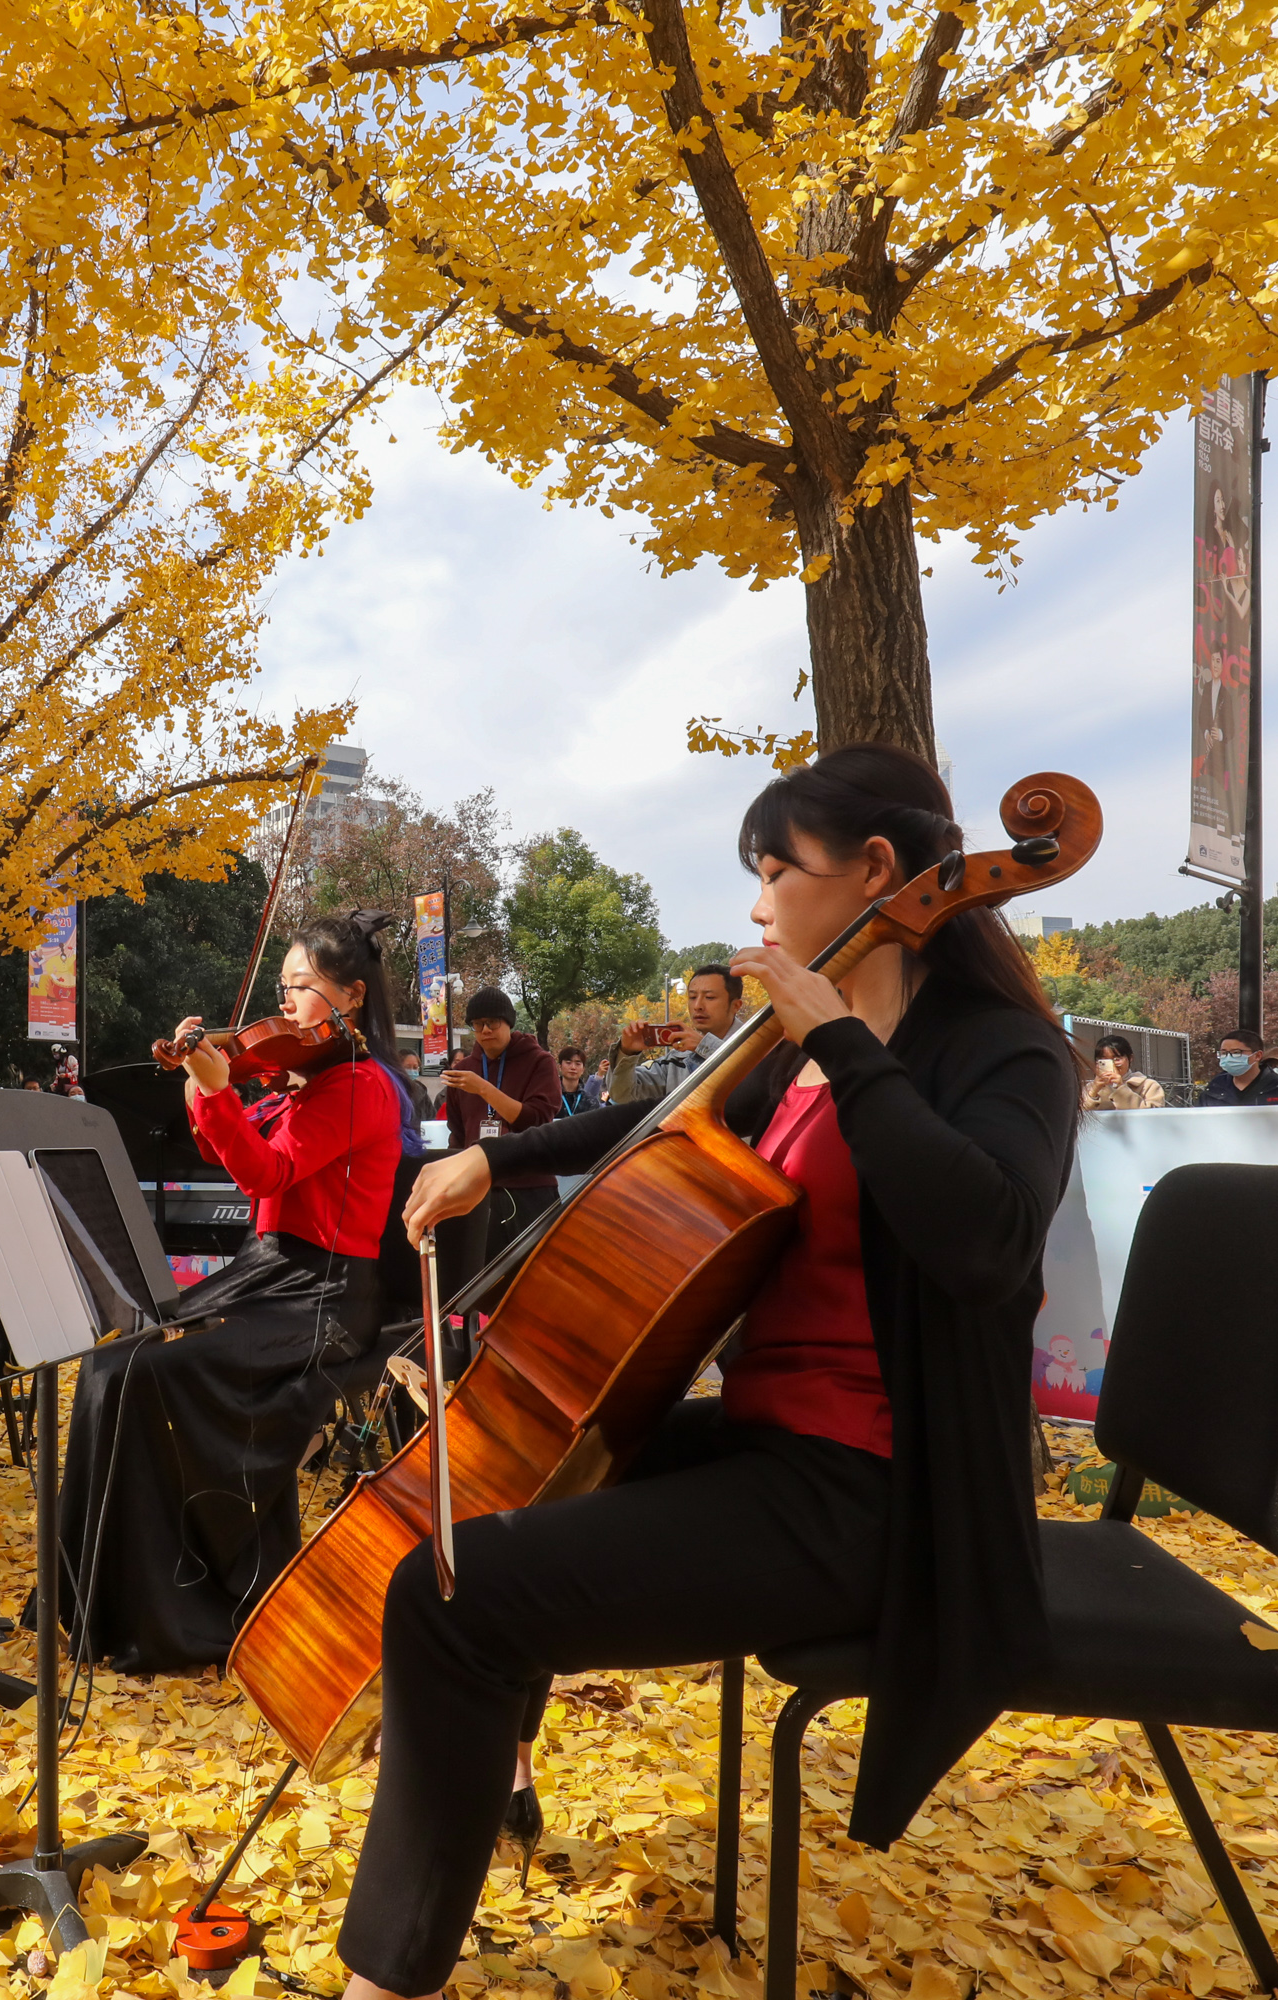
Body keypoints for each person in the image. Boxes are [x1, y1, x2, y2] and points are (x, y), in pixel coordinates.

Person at [335, 745, 1078, 2000]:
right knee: (511, 1490)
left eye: (775, 870)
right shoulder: (795, 1051)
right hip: (771, 1441)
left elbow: (989, 1242)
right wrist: (493, 1165)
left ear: (877, 873)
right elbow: (664, 1126)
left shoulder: (1000, 1051)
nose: (756, 905)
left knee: (454, 1595)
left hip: (885, 1491)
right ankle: (493, 1763)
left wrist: (845, 1043)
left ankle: (387, 1979)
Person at [60, 910, 408, 1670]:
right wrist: (207, 1080)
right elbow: (241, 1150)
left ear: (351, 997)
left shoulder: (363, 1086)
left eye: (303, 988)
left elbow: (265, 1173)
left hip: (322, 1296)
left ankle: (191, 1601)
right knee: (113, 1362)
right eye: (282, 986)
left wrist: (215, 1087)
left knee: (150, 1373)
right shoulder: (303, 1080)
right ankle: (96, 1593)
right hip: (268, 1272)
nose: (284, 1004)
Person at [439, 988, 562, 1253]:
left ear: (508, 1022)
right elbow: (457, 1133)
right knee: (477, 1280)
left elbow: (537, 1119)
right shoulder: (462, 1072)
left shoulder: (540, 1061)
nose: (485, 1030)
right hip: (478, 1189)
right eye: (477, 1024)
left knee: (534, 1274)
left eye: (492, 1022)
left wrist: (484, 1089)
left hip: (530, 1186)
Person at [608, 965, 748, 1103]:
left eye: (709, 997)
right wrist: (627, 1053)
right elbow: (623, 1096)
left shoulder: (760, 1045)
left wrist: (704, 1046)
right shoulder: (677, 1059)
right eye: (692, 997)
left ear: (736, 1005)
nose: (697, 1006)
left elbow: (755, 1083)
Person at [1199, 1031, 1278, 1105]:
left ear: (1257, 1055)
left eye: (1236, 1052)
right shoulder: (1215, 1087)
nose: (1229, 1058)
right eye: (1224, 1053)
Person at [1080, 1033, 1166, 1109]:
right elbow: (1079, 1116)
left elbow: (1154, 1117)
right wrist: (1094, 1091)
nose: (1112, 1064)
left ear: (1130, 1058)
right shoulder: (1090, 1088)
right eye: (1104, 1061)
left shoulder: (1148, 1086)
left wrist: (1121, 1088)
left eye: (1117, 1059)